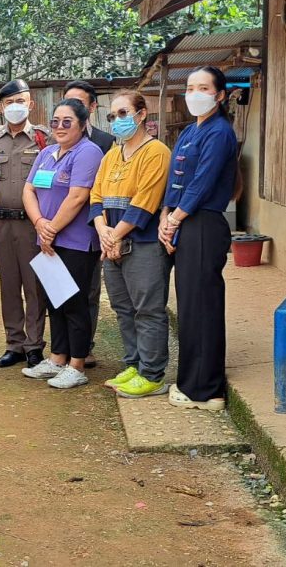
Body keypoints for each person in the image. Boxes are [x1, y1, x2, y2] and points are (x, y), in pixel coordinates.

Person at [159, 67, 239, 411]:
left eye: (203, 88)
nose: (195, 94)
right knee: (190, 306)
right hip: (183, 222)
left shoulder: (220, 132)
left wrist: (174, 219)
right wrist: (165, 214)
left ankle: (206, 391)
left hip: (203, 222)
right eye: (190, 88)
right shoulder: (190, 131)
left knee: (203, 306)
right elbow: (174, 180)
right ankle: (194, 382)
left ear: (220, 95)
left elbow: (202, 183)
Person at [90, 90, 171, 398]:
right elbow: (95, 196)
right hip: (112, 244)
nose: (117, 120)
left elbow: (145, 203)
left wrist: (114, 235)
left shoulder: (156, 152)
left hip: (143, 244)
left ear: (142, 114)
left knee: (147, 310)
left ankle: (152, 374)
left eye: (123, 113)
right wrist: (103, 231)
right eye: (112, 116)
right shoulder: (112, 154)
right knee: (123, 308)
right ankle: (133, 364)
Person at [19, 99, 103, 389]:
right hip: (47, 239)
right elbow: (28, 190)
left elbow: (78, 196)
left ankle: (77, 365)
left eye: (67, 121)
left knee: (74, 303)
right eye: (55, 121)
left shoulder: (88, 152)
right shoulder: (47, 153)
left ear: (82, 123)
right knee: (54, 301)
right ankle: (57, 358)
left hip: (75, 242)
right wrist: (40, 224)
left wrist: (51, 229)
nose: (60, 126)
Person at [0, 79, 50, 370]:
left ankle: (34, 345)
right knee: (8, 285)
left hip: (31, 225)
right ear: (1, 107)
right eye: (9, 102)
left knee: (35, 286)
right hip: (0, 221)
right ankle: (14, 343)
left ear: (30, 104)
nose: (14, 107)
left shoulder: (44, 138)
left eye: (20, 101)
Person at [64, 79, 114, 369]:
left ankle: (85, 347)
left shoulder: (105, 143)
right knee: (60, 290)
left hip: (90, 226)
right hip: (58, 229)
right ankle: (63, 349)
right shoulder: (56, 140)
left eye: (79, 103)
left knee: (88, 290)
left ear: (92, 107)